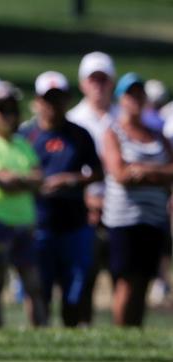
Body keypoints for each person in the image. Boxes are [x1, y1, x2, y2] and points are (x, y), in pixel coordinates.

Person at [21, 71, 102, 328]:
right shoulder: (25, 136)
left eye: (58, 99)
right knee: (38, 289)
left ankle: (71, 335)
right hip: (37, 224)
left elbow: (97, 172)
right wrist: (35, 183)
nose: (53, 106)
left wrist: (71, 180)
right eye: (48, 99)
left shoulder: (79, 135)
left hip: (74, 224)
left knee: (74, 292)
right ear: (37, 101)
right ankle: (39, 336)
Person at [101, 73, 173, 327]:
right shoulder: (113, 132)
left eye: (139, 94)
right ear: (120, 99)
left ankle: (135, 334)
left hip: (153, 218)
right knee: (126, 281)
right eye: (130, 94)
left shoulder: (156, 134)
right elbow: (120, 174)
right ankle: (122, 334)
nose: (135, 99)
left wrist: (143, 171)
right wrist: (158, 175)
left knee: (144, 280)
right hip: (124, 219)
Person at [0, 82, 47, 328]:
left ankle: (40, 333)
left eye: (12, 110)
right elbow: (3, 181)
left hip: (24, 222)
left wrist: (18, 180)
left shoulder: (21, 143)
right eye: (2, 110)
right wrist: (24, 180)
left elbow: (39, 179)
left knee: (33, 284)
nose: (7, 116)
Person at [67, 51, 118, 325]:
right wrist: (89, 202)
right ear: (83, 83)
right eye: (93, 79)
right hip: (83, 212)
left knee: (122, 277)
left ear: (112, 82)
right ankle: (84, 329)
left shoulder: (124, 117)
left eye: (103, 79)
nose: (98, 85)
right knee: (83, 277)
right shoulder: (73, 120)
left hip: (121, 210)